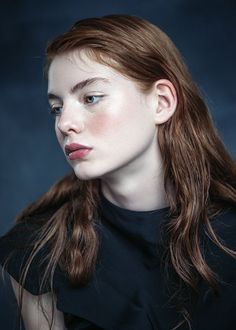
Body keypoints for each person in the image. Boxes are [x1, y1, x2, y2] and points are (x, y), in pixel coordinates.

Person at [0, 14, 235, 330]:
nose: (64, 123)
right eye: (57, 107)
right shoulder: (37, 248)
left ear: (162, 102)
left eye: (90, 97)